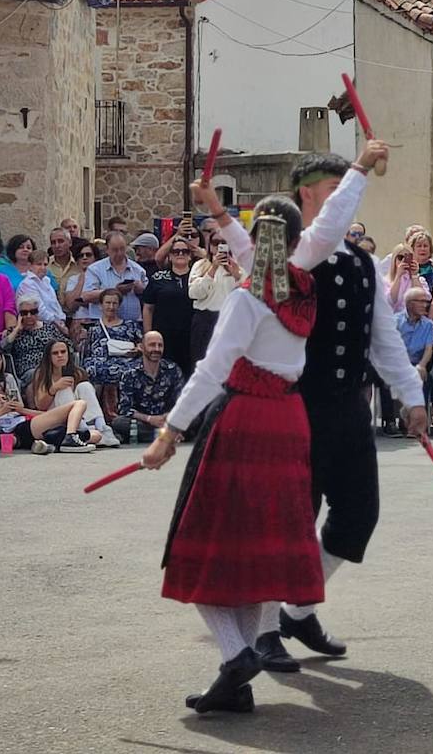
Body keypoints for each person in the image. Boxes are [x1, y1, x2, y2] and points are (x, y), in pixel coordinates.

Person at [203, 143, 428, 674]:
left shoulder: (362, 264)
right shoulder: (286, 258)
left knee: (357, 516)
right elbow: (263, 254)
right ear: (309, 194)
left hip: (347, 407)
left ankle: (298, 609)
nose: (347, 203)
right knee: (289, 521)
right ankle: (264, 635)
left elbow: (383, 338)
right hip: (293, 409)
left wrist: (411, 396)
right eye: (335, 190)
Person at [140, 194, 343, 715]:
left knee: (204, 547)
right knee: (260, 553)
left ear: (260, 241)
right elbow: (270, 257)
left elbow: (210, 370)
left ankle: (236, 658)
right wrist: (225, 218)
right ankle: (239, 674)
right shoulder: (304, 290)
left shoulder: (249, 298)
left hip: (246, 421)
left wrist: (170, 432)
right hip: (288, 423)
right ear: (296, 243)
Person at [26, 339, 102, 452]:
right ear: (49, 357)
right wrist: (54, 388)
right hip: (53, 416)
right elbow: (41, 405)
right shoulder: (42, 373)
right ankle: (76, 432)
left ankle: (101, 425)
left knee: (85, 386)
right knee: (64, 389)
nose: (60, 355)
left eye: (63, 352)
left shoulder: (78, 372)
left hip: (77, 417)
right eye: (55, 353)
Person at [112, 331, 184, 444]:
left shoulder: (173, 369)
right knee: (118, 423)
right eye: (152, 345)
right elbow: (124, 409)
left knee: (196, 417)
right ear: (141, 347)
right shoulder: (129, 373)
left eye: (160, 345)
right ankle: (163, 435)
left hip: (168, 419)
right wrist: (150, 419)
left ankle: (163, 434)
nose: (156, 349)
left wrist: (169, 416)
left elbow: (181, 401)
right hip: (143, 421)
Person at [188, 233, 244, 366]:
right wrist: (212, 269)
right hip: (205, 319)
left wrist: (237, 276)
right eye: (215, 242)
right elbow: (194, 293)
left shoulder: (239, 266)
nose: (219, 246)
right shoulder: (200, 265)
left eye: (224, 242)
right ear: (210, 245)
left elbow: (248, 295)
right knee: (201, 364)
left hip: (230, 320)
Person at [143, 240, 196, 378]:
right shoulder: (158, 277)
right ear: (170, 256)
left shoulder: (199, 278)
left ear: (190, 256)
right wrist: (148, 335)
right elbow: (148, 307)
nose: (180, 254)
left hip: (191, 335)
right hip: (164, 335)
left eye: (185, 251)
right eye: (175, 251)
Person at [390, 287, 433, 433]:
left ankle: (413, 421)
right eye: (421, 301)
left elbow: (429, 349)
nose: (425, 305)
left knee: (420, 374)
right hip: (398, 362)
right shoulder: (396, 321)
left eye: (426, 302)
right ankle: (390, 421)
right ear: (409, 304)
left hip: (417, 362)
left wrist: (422, 365)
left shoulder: (428, 324)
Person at [82, 232, 148, 324]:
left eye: (122, 249)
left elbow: (150, 296)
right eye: (115, 250)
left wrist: (141, 289)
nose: (119, 253)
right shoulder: (95, 269)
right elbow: (86, 296)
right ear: (107, 250)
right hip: (103, 324)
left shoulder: (138, 270)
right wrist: (114, 291)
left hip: (132, 324)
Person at [83, 289, 144, 389]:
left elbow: (143, 344)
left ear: (119, 305)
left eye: (114, 303)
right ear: (101, 305)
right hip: (99, 364)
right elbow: (86, 352)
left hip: (125, 362)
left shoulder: (131, 325)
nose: (111, 307)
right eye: (107, 303)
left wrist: (137, 349)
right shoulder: (92, 327)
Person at [1, 296, 63, 388]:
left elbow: (66, 345)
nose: (29, 316)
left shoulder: (49, 328)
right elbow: (3, 348)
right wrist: (17, 329)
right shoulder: (14, 332)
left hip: (52, 365)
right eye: (24, 313)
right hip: (29, 370)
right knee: (37, 374)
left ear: (37, 312)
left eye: (33, 312)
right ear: (19, 315)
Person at [15, 248, 63, 326]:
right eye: (39, 264)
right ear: (30, 265)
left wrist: (62, 319)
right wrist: (57, 322)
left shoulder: (46, 281)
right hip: (38, 327)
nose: (43, 267)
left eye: (45, 264)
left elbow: (55, 305)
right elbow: (40, 311)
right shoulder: (27, 284)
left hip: (55, 324)